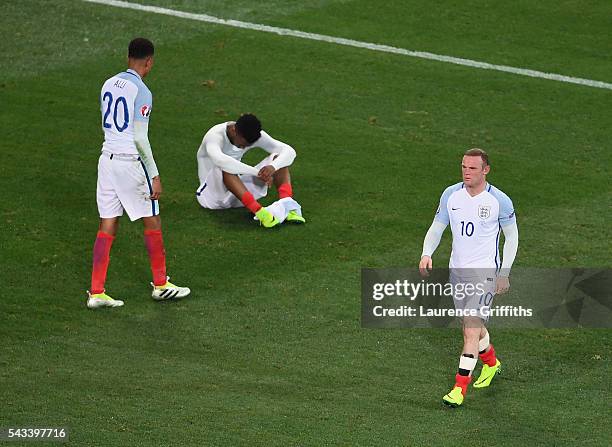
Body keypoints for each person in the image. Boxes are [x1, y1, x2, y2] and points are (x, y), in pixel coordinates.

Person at [87, 37, 190, 309]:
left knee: (108, 223)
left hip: (106, 161)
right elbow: (140, 138)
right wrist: (154, 174)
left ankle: (96, 292)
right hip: (130, 163)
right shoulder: (142, 91)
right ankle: (161, 284)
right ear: (149, 62)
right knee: (152, 219)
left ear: (127, 57)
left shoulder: (108, 83)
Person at [419, 148, 519, 407]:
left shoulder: (499, 201)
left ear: (485, 170)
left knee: (470, 330)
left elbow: (512, 238)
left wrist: (504, 273)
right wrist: (426, 253)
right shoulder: (451, 194)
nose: (466, 171)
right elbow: (438, 225)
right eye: (464, 166)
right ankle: (491, 363)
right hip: (458, 270)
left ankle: (459, 389)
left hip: (485, 272)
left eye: (473, 168)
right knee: (468, 324)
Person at [195, 114, 305, 228]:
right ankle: (261, 213)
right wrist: (258, 173)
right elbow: (222, 161)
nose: (243, 148)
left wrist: (272, 167)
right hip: (211, 197)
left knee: (279, 157)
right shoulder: (214, 136)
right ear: (234, 130)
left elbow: (289, 151)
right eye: (243, 144)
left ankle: (288, 206)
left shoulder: (253, 135)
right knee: (226, 165)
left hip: (237, 195)